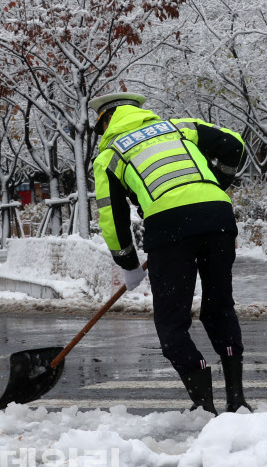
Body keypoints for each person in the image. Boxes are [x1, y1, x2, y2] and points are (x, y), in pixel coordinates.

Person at [89, 92, 250, 415]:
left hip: (168, 226)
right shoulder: (178, 127)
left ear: (105, 121)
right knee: (219, 308)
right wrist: (221, 182)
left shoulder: (110, 155)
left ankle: (204, 403)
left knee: (172, 323)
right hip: (218, 215)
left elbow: (112, 216)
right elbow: (234, 144)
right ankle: (237, 400)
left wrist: (128, 263)